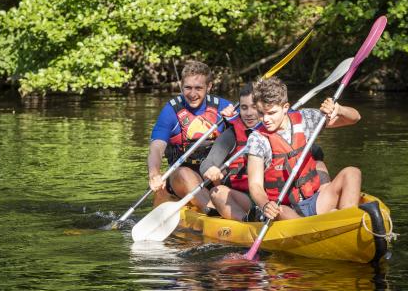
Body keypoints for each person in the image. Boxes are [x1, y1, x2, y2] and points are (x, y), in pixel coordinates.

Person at [200, 83, 333, 221]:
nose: (249, 113)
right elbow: (208, 161)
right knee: (218, 193)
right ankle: (247, 221)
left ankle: (323, 201)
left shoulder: (277, 125)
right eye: (244, 108)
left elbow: (315, 150)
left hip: (275, 191)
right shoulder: (232, 134)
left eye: (254, 108)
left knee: (318, 163)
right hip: (245, 196)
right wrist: (210, 168)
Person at [246, 77, 362, 221]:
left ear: (285, 108)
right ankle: (315, 227)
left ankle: (347, 222)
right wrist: (265, 205)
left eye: (271, 113)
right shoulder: (257, 139)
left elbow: (355, 118)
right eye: (261, 113)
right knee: (281, 210)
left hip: (314, 200)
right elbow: (255, 185)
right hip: (284, 208)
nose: (266, 119)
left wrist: (339, 109)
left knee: (352, 173)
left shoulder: (305, 119)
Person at [147, 61, 234, 214]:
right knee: (184, 174)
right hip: (181, 176)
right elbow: (157, 146)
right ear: (181, 87)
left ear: (209, 87)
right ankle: (213, 210)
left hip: (214, 172)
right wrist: (154, 174)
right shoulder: (171, 111)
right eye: (188, 88)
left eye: (199, 88)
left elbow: (250, 134)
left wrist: (234, 120)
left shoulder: (224, 107)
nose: (192, 94)